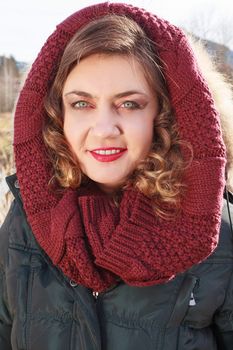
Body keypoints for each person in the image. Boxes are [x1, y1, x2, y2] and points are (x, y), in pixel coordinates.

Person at [0, 2, 233, 349]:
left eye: (129, 104)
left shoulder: (217, 232)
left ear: (163, 113)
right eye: (82, 103)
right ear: (56, 114)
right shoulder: (25, 221)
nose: (104, 129)